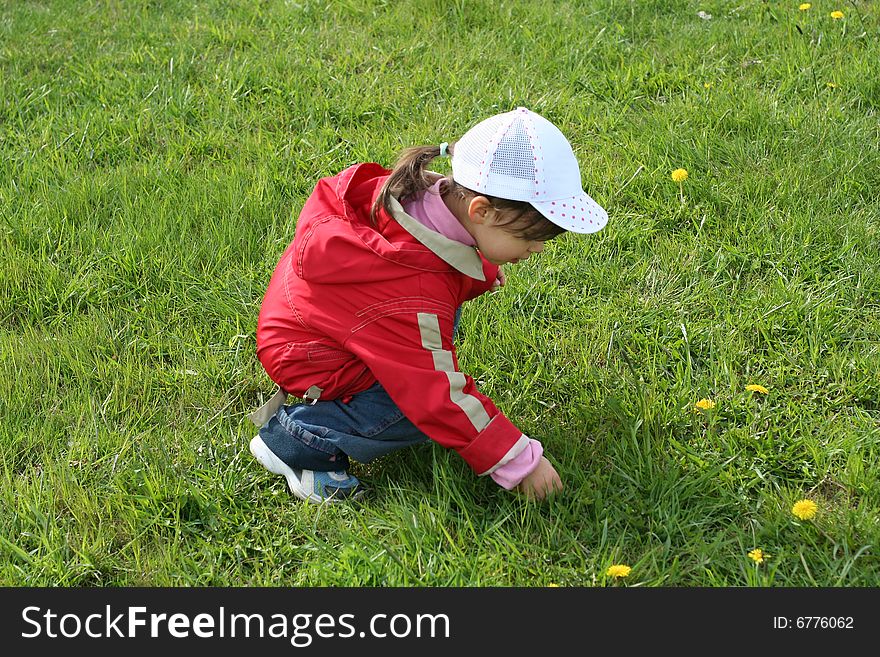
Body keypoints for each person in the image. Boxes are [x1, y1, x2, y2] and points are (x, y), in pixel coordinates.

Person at [248, 107, 608, 503]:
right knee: (415, 405)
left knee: (426, 353)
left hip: (311, 321)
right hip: (313, 354)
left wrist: (481, 270)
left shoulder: (417, 196)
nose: (537, 248)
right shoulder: (410, 291)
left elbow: (441, 250)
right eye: (531, 236)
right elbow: (437, 397)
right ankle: (301, 440)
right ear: (482, 211)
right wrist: (519, 461)